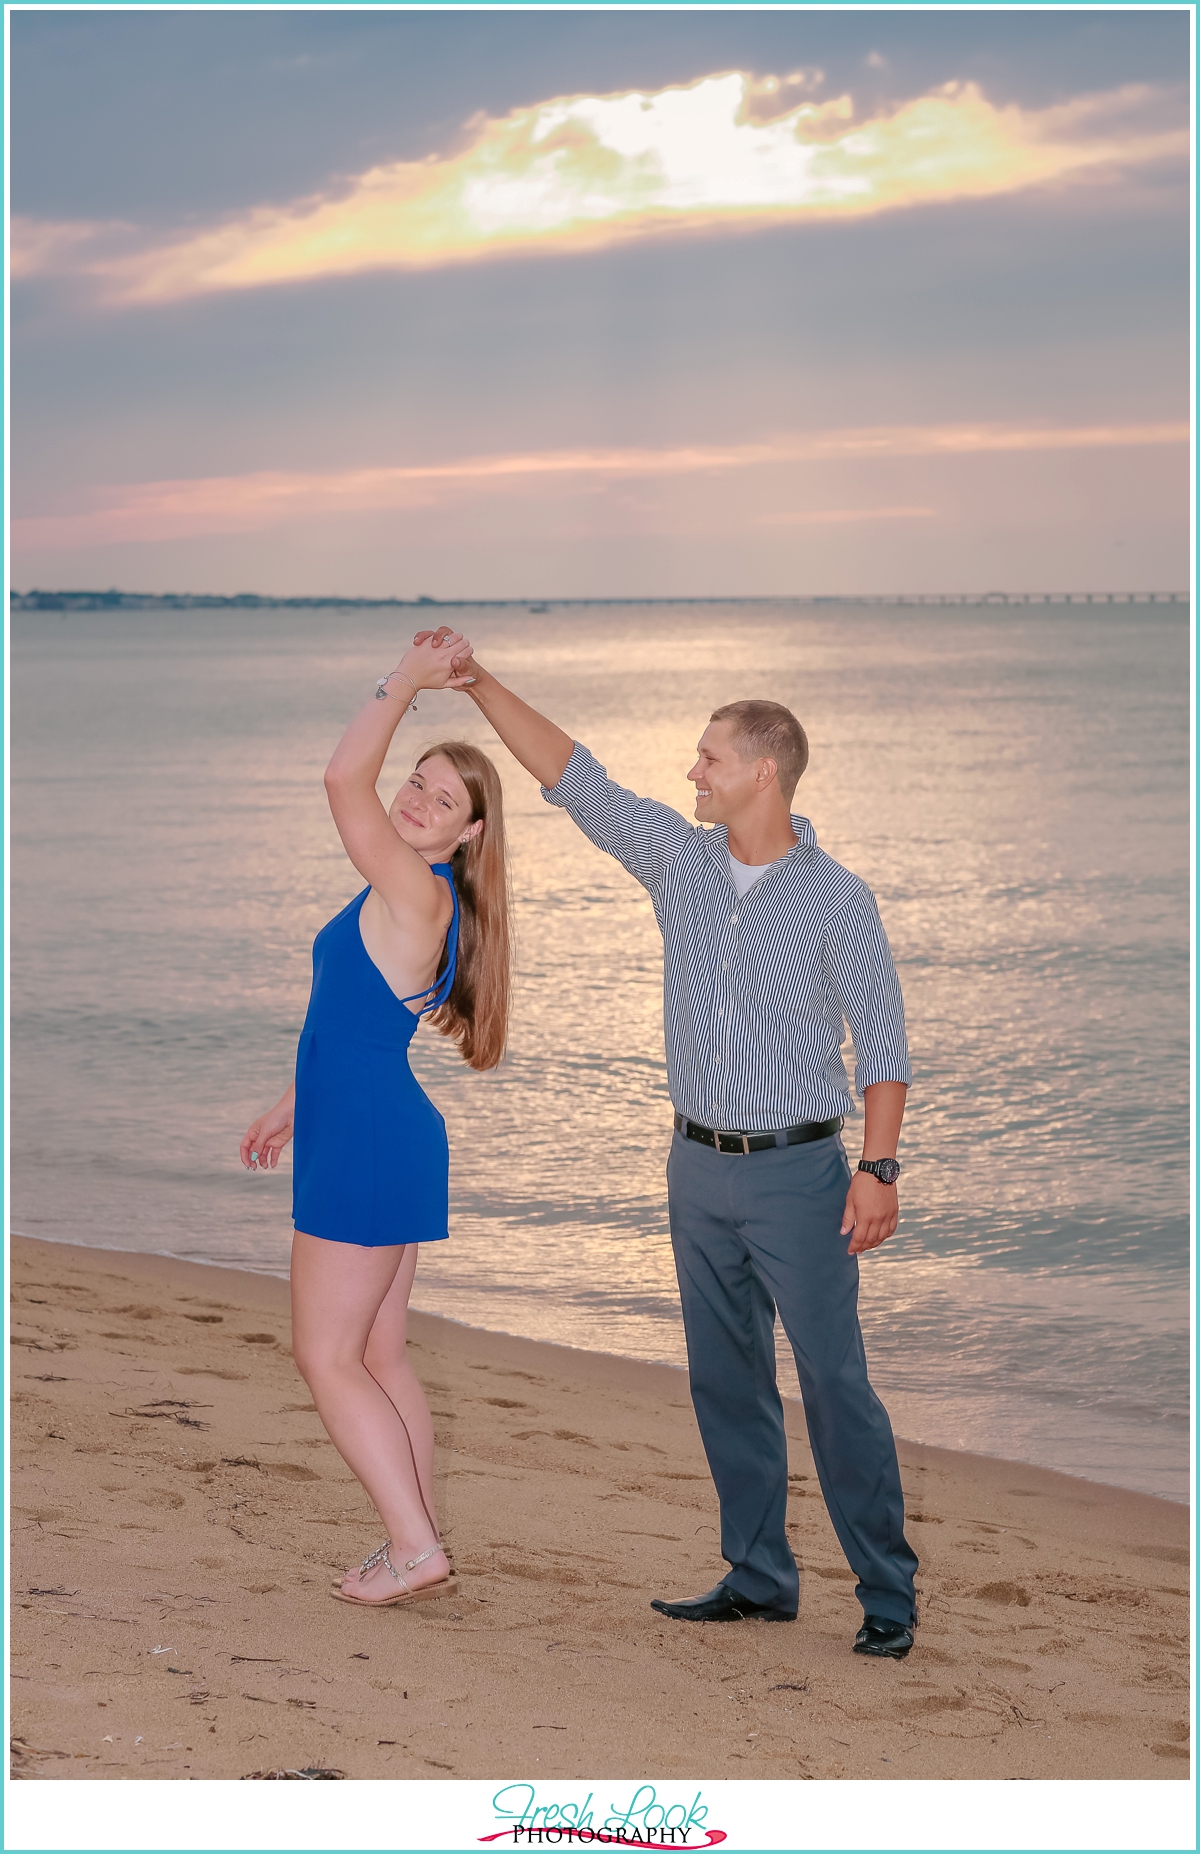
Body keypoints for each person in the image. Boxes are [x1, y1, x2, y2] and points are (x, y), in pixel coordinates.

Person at [421, 626, 918, 1659]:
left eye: (710, 756)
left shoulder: (839, 900)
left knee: (834, 1383)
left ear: (764, 771)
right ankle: (757, 1577)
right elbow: (574, 778)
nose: (692, 770)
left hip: (800, 1174)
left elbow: (884, 1039)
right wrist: (478, 686)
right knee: (724, 1379)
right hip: (696, 1167)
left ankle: (885, 1591)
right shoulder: (676, 860)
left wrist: (878, 1169)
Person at [239, 630, 511, 1609]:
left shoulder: (411, 885)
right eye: (420, 780)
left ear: (469, 835)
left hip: (364, 1140)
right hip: (375, 1124)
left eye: (445, 799)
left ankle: (413, 1547)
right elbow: (351, 1027)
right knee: (379, 1354)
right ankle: (414, 1536)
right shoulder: (410, 891)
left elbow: (339, 777)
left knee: (324, 1355)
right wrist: (290, 1103)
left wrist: (405, 680)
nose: (417, 798)